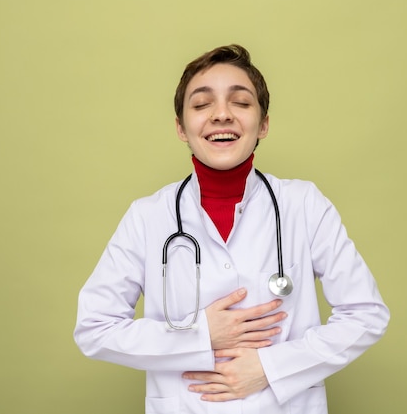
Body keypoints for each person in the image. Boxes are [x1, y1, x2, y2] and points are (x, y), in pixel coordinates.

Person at [74, 44, 389, 413]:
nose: (221, 115)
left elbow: (366, 314)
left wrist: (270, 369)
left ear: (264, 124)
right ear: (181, 127)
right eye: (201, 104)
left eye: (240, 102)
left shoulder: (303, 204)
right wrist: (201, 335)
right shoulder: (147, 217)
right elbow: (94, 328)